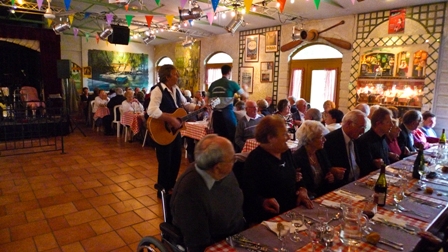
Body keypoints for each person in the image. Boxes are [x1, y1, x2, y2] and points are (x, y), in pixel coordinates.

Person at [170, 135, 245, 252]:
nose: (234, 161)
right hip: (218, 243)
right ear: (217, 168)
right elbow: (198, 243)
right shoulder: (189, 194)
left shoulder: (223, 172)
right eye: (232, 159)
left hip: (240, 233)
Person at [242, 116, 313, 224]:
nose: (288, 137)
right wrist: (263, 202)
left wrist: (302, 189)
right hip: (272, 218)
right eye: (284, 134)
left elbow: (297, 175)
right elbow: (248, 194)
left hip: (294, 210)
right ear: (270, 138)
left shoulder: (286, 152)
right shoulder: (255, 160)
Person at [147, 64, 188, 196]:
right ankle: (162, 191)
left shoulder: (175, 89)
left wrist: (199, 106)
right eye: (175, 74)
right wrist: (170, 119)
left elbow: (184, 104)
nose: (178, 76)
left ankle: (171, 187)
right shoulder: (157, 90)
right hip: (162, 131)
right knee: (165, 162)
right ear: (167, 76)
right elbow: (152, 110)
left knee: (176, 159)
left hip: (174, 132)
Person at [294, 121, 339, 198]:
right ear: (310, 139)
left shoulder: (320, 152)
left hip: (323, 194)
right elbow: (301, 184)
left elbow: (327, 171)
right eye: (321, 137)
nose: (325, 139)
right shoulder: (298, 157)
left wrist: (330, 177)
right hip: (309, 197)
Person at [324, 110, 368, 186]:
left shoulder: (358, 140)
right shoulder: (330, 140)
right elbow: (325, 166)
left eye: (364, 127)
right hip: (340, 185)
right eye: (361, 127)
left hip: (358, 182)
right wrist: (332, 170)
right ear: (349, 124)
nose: (363, 131)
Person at [208, 65, 248, 142]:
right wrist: (245, 89)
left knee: (218, 138)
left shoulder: (213, 84)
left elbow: (207, 99)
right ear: (229, 72)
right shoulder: (232, 84)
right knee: (232, 137)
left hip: (215, 115)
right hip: (227, 114)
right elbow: (245, 96)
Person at [356, 107, 393, 173]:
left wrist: (389, 154)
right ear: (378, 124)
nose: (392, 125)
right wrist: (375, 164)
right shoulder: (364, 141)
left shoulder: (383, 138)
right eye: (388, 122)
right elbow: (364, 168)